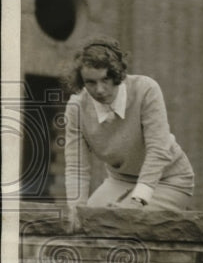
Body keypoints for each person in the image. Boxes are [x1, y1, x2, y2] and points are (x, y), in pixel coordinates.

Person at [63, 36, 194, 210]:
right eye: (91, 82)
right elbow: (76, 167)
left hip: (169, 179)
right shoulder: (76, 107)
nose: (99, 90)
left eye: (105, 79)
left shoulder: (146, 89)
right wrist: (75, 210)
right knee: (90, 219)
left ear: (117, 74)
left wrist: (137, 201)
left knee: (120, 219)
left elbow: (158, 150)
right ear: (82, 81)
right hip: (120, 180)